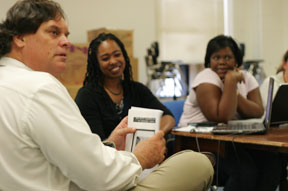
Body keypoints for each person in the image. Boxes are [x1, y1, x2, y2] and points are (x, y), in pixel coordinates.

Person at [0, 0, 214, 190]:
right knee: (197, 163)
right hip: (104, 177)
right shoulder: (42, 88)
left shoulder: (8, 80)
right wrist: (140, 157)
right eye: (54, 32)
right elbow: (98, 177)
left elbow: (71, 156)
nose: (66, 41)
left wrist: (110, 144)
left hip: (105, 166)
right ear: (19, 38)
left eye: (66, 34)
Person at [179, 35, 281, 191]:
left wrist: (233, 91)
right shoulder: (206, 77)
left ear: (236, 60)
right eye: (216, 57)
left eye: (228, 57)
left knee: (273, 163)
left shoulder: (245, 77)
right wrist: (231, 83)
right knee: (244, 171)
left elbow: (257, 111)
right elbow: (221, 116)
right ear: (208, 60)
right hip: (197, 143)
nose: (221, 61)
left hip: (231, 142)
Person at [75, 32, 175, 140]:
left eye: (117, 55)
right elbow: (97, 144)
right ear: (96, 64)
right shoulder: (87, 96)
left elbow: (168, 117)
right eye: (105, 58)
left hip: (140, 153)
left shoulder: (137, 90)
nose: (113, 61)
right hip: (108, 155)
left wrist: (152, 138)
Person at [260, 50, 288, 191]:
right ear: (284, 64)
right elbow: (266, 115)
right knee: (274, 165)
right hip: (270, 136)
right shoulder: (271, 82)